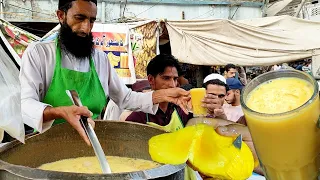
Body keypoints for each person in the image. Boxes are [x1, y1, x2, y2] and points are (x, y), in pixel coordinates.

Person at [19, 0, 190, 146]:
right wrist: (59, 112)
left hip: (92, 144)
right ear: (61, 16)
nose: (86, 28)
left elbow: (126, 98)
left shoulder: (100, 59)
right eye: (79, 18)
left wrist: (163, 95)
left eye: (91, 20)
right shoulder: (39, 53)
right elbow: (25, 103)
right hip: (46, 147)